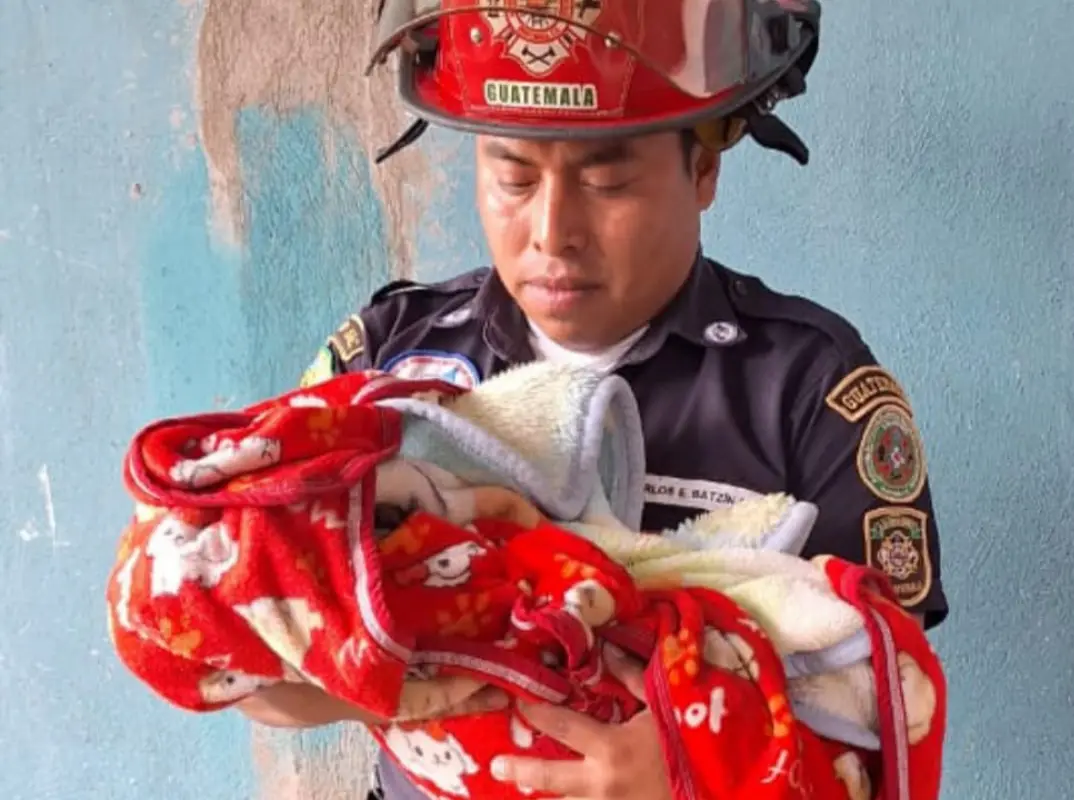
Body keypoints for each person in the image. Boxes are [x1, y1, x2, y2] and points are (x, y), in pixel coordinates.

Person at [237, 1, 950, 797]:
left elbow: (891, 708)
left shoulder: (815, 397)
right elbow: (256, 667)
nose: (552, 231)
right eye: (512, 176)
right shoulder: (387, 360)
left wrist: (694, 772)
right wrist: (367, 665)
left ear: (704, 168)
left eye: (606, 180)